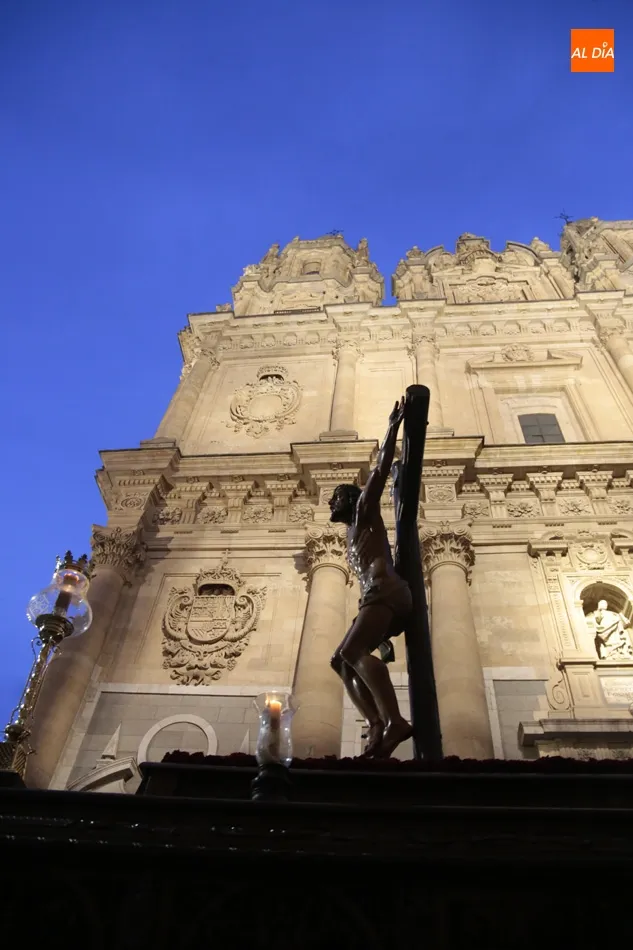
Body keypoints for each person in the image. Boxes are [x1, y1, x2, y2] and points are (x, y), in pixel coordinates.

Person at [329, 397, 413, 758]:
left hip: (386, 592)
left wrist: (393, 427)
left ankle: (395, 721)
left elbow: (379, 472)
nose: (330, 503)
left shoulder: (364, 511)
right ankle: (376, 722)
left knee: (351, 650)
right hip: (374, 598)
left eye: (336, 497)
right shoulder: (351, 532)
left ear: (351, 499)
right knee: (340, 660)